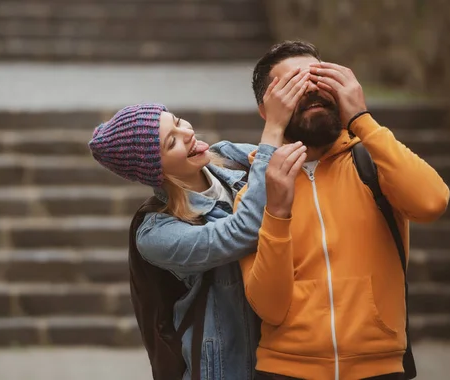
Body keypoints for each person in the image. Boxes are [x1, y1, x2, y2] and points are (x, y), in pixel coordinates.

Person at [234, 41, 450, 380]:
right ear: (267, 110)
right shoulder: (254, 193)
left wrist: (362, 120)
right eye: (293, 87)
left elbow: (432, 202)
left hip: (379, 368)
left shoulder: (375, 163)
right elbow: (270, 307)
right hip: (284, 370)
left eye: (320, 79)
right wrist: (276, 210)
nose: (311, 91)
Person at [87, 68, 313, 380]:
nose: (188, 133)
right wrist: (272, 126)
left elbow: (295, 162)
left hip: (288, 355)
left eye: (178, 122)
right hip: (228, 368)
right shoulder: (156, 234)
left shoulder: (228, 157)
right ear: (157, 172)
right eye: (172, 142)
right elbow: (242, 231)